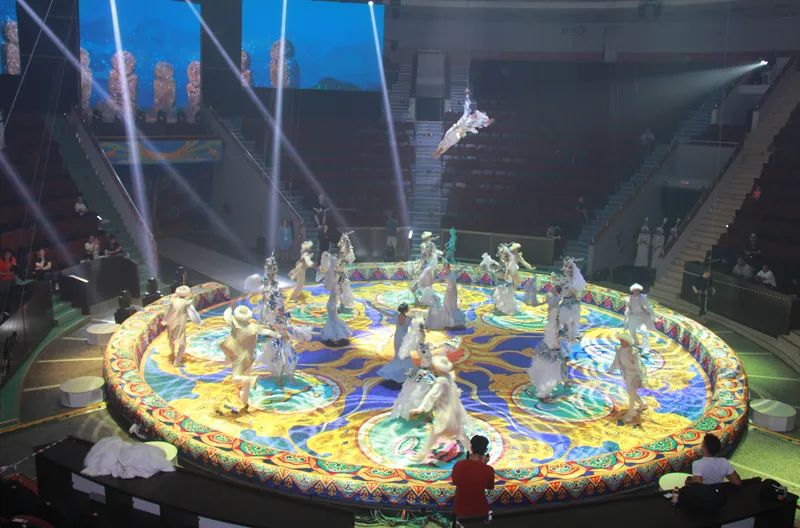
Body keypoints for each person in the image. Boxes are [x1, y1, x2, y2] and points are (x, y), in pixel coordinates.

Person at [408, 355, 471, 463]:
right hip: (454, 412)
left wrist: (421, 408)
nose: (433, 369)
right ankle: (475, 454)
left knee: (435, 435)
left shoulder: (441, 381)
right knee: (461, 434)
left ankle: (419, 457)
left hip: (447, 413)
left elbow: (432, 395)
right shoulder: (449, 377)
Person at [218, 305, 270, 412]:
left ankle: (251, 380)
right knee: (246, 374)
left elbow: (226, 316)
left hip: (239, 355)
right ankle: (245, 401)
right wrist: (278, 333)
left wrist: (229, 308)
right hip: (250, 355)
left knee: (235, 378)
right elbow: (267, 332)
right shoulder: (253, 327)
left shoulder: (235, 324)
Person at [527, 289, 569, 401]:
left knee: (550, 372)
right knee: (549, 372)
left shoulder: (557, 325)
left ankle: (544, 392)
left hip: (553, 351)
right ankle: (543, 393)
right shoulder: (553, 326)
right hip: (550, 351)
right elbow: (552, 340)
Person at [433, 88, 494, 159]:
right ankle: (437, 152)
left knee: (448, 144)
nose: (474, 115)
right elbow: (467, 104)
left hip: (458, 134)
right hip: (454, 128)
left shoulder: (474, 123)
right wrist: (467, 94)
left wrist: (487, 122)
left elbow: (480, 124)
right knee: (444, 141)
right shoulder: (467, 114)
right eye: (475, 114)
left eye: (476, 116)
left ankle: (439, 153)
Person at [451, 435, 495, 520]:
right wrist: (483, 464)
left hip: (460, 510)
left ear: (471, 448)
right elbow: (490, 487)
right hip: (480, 511)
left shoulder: (458, 465)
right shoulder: (488, 469)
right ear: (486, 450)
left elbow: (455, 482)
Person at [161, 285, 203, 367]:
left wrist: (166, 321)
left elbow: (168, 313)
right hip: (179, 323)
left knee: (171, 338)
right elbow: (193, 314)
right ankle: (177, 362)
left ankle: (172, 352)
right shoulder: (186, 303)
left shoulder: (173, 301)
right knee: (182, 344)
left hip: (171, 322)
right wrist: (199, 322)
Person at [610, 332, 647, 422]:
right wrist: (611, 369)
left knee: (631, 392)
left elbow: (639, 366)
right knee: (630, 392)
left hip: (636, 374)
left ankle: (631, 412)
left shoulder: (634, 352)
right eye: (620, 340)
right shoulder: (619, 349)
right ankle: (643, 403)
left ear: (627, 341)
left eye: (623, 340)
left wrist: (643, 379)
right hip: (627, 373)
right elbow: (616, 361)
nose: (621, 342)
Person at [320, 253, 353, 346]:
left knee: (333, 320)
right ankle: (335, 336)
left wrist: (341, 303)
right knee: (333, 320)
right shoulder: (333, 280)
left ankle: (335, 336)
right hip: (331, 305)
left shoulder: (337, 280)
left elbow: (339, 293)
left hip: (333, 304)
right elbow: (331, 287)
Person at [377, 302, 414, 384]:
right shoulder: (409, 319)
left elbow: (385, 313)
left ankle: (397, 372)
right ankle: (405, 372)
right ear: (406, 310)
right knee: (405, 355)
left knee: (397, 355)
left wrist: (374, 307)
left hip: (397, 337)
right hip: (405, 338)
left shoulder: (396, 317)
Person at [558, 257, 586, 343]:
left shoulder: (574, 280)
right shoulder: (563, 279)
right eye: (566, 268)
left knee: (574, 318)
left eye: (569, 268)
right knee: (563, 317)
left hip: (573, 301)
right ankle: (566, 331)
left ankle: (573, 333)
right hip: (566, 301)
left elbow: (577, 287)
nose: (567, 270)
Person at [624, 283, 655, 352]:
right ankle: (636, 342)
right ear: (633, 291)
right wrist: (626, 320)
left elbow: (648, 307)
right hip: (633, 317)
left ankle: (646, 349)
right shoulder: (629, 299)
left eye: (637, 290)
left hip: (641, 318)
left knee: (644, 331)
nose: (636, 292)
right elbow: (627, 310)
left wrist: (653, 315)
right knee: (632, 332)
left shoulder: (642, 298)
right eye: (635, 290)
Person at [492, 244, 521, 316]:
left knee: (502, 295)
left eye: (502, 254)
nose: (501, 255)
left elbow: (508, 273)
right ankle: (497, 308)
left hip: (505, 282)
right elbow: (500, 269)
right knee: (497, 295)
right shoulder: (502, 262)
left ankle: (501, 308)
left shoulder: (508, 263)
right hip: (500, 281)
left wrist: (505, 276)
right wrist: (497, 272)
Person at [442, 260, 466, 330]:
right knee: (448, 306)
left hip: (454, 291)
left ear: (449, 267)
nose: (446, 269)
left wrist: (464, 266)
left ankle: (455, 321)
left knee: (453, 305)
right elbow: (438, 279)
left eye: (447, 267)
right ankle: (448, 321)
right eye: (444, 268)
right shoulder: (445, 275)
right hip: (448, 292)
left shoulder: (453, 272)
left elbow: (460, 270)